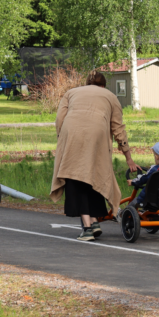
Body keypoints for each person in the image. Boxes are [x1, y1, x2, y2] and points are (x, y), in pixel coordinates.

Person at [51, 71, 139, 242]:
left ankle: (87, 228)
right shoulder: (110, 96)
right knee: (95, 175)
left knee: (76, 179)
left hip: (72, 133)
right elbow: (118, 129)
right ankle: (94, 221)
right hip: (98, 135)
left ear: (87, 83)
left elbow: (60, 120)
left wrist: (62, 140)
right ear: (103, 85)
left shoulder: (71, 93)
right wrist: (129, 157)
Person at [127, 139, 159, 208]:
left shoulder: (155, 169)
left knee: (132, 205)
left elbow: (143, 179)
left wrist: (132, 182)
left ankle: (122, 216)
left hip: (146, 200)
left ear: (157, 157)